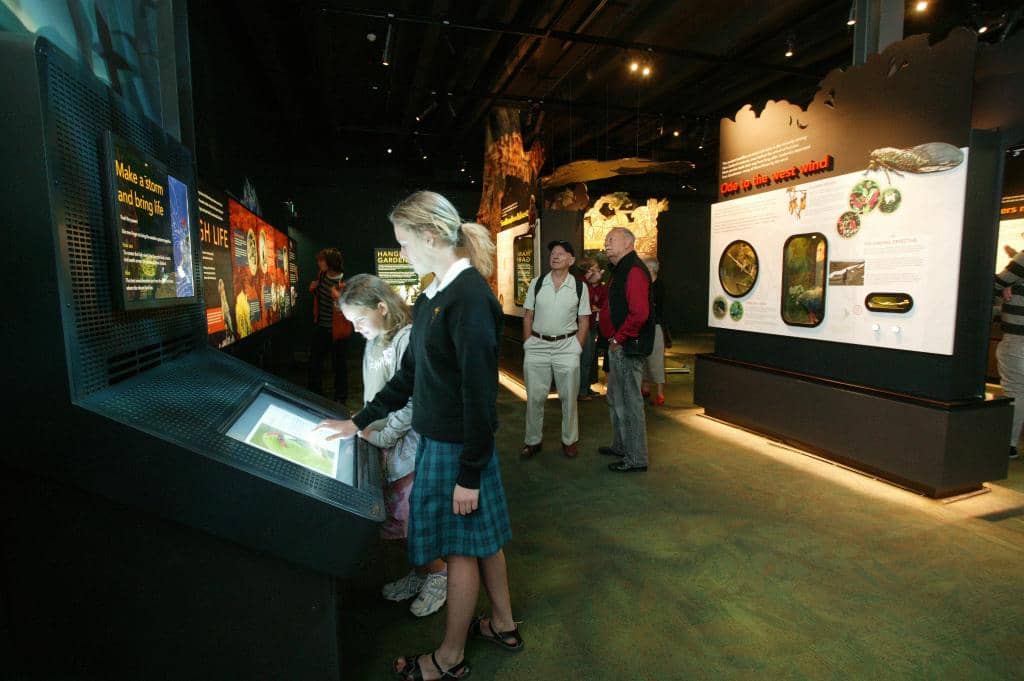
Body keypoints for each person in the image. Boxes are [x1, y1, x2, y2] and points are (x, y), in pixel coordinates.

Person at [316, 191, 520, 681]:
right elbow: (411, 377)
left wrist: (468, 474)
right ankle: (503, 624)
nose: (401, 253)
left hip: (456, 448)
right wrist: (361, 421)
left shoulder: (468, 299)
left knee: (461, 549)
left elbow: (479, 398)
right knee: (484, 540)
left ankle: (448, 660)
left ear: (430, 236)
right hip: (449, 443)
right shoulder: (435, 295)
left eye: (404, 243)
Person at [338, 274, 448, 618]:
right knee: (398, 522)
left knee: (413, 519)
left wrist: (383, 436)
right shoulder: (373, 341)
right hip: (384, 444)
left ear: (382, 308)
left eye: (359, 320)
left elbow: (413, 400)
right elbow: (377, 394)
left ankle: (438, 574)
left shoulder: (405, 340)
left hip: (408, 448)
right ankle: (420, 571)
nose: (355, 329)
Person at [521, 241, 591, 459]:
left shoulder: (580, 287)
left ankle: (569, 440)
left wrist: (577, 347)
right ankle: (533, 441)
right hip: (537, 346)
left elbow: (584, 319)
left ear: (571, 260)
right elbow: (528, 315)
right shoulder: (537, 283)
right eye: (553, 253)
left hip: (567, 347)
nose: (555, 256)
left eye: (561, 253)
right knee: (534, 397)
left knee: (569, 398)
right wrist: (527, 343)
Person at [597, 227, 654, 473]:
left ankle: (636, 458)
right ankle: (621, 446)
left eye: (612, 239)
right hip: (619, 345)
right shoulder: (621, 270)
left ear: (629, 243)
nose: (606, 243)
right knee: (617, 399)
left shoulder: (633, 270)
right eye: (606, 240)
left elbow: (640, 313)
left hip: (627, 347)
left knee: (630, 403)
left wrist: (618, 339)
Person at [308, 248, 352, 403]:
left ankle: (340, 398)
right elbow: (319, 296)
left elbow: (350, 308)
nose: (319, 263)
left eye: (322, 260)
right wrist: (313, 289)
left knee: (339, 366)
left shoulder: (344, 282)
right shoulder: (321, 275)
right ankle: (315, 394)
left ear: (331, 263)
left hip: (337, 332)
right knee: (315, 362)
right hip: (321, 326)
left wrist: (339, 299)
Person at [995, 251, 1024, 459]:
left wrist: (1005, 285)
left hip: (1018, 339)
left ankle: (1008, 444)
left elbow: (991, 285)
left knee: (1015, 390)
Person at [577, 257, 607, 401]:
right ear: (588, 270)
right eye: (595, 268)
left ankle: (586, 387)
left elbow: (601, 303)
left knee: (590, 358)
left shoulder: (595, 286)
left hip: (592, 326)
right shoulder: (581, 283)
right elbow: (584, 305)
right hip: (583, 326)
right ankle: (582, 392)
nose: (598, 271)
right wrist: (592, 307)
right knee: (585, 359)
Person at [640, 255, 667, 407]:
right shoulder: (643, 284)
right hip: (643, 326)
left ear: (650, 268)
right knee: (642, 358)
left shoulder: (659, 286)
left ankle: (660, 393)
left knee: (656, 360)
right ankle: (645, 388)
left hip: (655, 326)